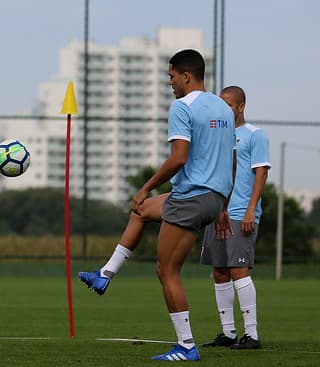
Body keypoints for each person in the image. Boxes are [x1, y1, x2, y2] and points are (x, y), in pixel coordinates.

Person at [80, 49, 235, 361]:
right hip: (212, 197)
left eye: (171, 76)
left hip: (191, 198)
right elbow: (230, 161)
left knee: (167, 271)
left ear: (186, 75)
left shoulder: (181, 106)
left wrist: (145, 186)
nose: (170, 82)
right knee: (142, 210)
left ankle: (187, 346)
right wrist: (222, 207)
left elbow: (178, 157)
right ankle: (105, 274)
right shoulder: (224, 108)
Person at [200, 86, 270, 350]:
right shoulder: (217, 135)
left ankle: (251, 335)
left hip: (242, 213)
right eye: (221, 104)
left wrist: (252, 208)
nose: (224, 109)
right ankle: (228, 333)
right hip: (217, 213)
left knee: (239, 270)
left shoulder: (255, 135)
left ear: (241, 106)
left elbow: (261, 173)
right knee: (219, 271)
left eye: (229, 104)